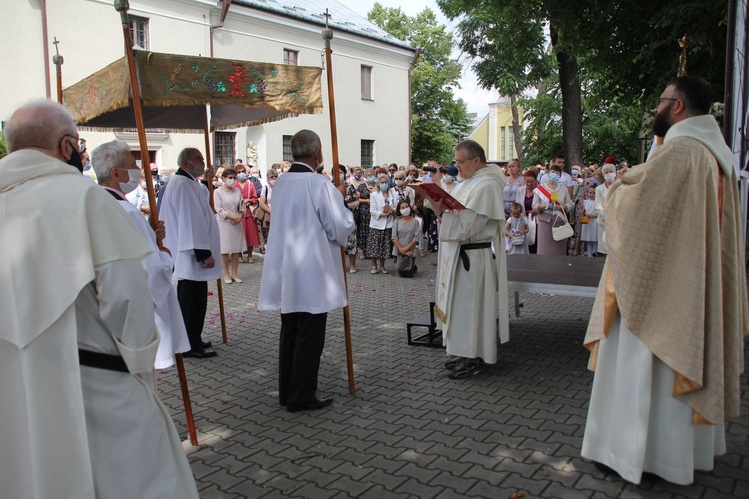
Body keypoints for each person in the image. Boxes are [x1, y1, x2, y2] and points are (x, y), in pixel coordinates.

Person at [0, 101, 198, 498]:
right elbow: (128, 299)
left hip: (15, 385)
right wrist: (142, 364)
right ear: (68, 146)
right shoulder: (88, 199)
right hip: (96, 385)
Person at [582, 76, 749, 485]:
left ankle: (637, 456)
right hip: (688, 282)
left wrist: (618, 189)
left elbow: (638, 210)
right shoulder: (715, 153)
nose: (655, 109)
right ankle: (679, 456)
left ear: (677, 106)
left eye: (661, 101)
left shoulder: (681, 152)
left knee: (643, 366)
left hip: (658, 287)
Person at [257, 129, 355, 412]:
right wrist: (342, 202)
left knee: (290, 331)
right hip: (312, 272)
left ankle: (288, 390)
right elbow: (338, 226)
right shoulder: (319, 184)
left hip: (287, 270)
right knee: (310, 335)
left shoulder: (282, 183)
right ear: (318, 153)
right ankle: (302, 395)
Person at [92, 140, 192, 370]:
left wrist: (149, 230)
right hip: (139, 308)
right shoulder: (127, 212)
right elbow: (152, 269)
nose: (138, 169)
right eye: (132, 164)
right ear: (116, 173)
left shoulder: (98, 204)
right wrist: (165, 254)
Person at [431, 140, 509, 379]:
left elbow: (468, 226)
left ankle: (474, 356)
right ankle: (461, 352)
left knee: (471, 308)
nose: (456, 166)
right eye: (455, 161)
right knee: (459, 306)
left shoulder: (485, 186)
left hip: (473, 256)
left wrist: (441, 211)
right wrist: (437, 200)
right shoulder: (469, 183)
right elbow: (453, 212)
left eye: (460, 161)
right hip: (459, 255)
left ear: (476, 160)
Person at [159, 147, 221, 358]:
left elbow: (202, 198)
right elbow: (191, 221)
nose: (202, 162)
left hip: (191, 254)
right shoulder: (183, 185)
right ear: (186, 163)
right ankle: (189, 343)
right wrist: (204, 254)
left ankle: (194, 337)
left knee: (196, 300)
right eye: (198, 159)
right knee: (191, 302)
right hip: (191, 254)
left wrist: (207, 181)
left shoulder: (187, 182)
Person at [533, 164, 574, 255]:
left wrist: (561, 207)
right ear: (548, 173)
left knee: (558, 249)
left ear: (560, 176)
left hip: (559, 221)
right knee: (544, 249)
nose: (554, 174)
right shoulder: (540, 188)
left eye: (557, 173)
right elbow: (535, 205)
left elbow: (570, 204)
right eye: (552, 172)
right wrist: (545, 206)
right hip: (544, 221)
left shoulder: (563, 189)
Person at [214, 167, 245, 284]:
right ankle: (226, 274)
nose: (232, 180)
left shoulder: (237, 191)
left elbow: (242, 205)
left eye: (234, 178)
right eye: (230, 177)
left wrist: (240, 216)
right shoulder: (217, 192)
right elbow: (219, 209)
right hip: (224, 223)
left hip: (237, 222)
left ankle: (235, 273)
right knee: (225, 249)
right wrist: (232, 217)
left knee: (236, 249)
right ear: (223, 178)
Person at [368, 173, 397, 274]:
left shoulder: (393, 194)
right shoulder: (373, 195)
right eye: (382, 182)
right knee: (375, 245)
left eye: (386, 182)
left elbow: (397, 206)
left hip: (388, 223)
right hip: (376, 224)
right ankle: (373, 265)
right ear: (378, 184)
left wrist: (392, 211)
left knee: (385, 246)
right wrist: (382, 214)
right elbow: (372, 210)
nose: (384, 184)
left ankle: (382, 266)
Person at [235, 163, 263, 262]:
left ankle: (250, 255)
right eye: (239, 172)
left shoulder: (250, 184)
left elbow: (255, 197)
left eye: (243, 171)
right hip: (238, 212)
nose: (241, 173)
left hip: (249, 212)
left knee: (251, 234)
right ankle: (239, 255)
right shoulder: (234, 185)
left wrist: (250, 200)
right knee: (238, 235)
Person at [391, 200, 420, 277]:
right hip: (399, 251)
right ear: (399, 210)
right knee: (402, 273)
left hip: (410, 250)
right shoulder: (396, 221)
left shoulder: (415, 222)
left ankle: (413, 266)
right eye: (402, 207)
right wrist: (401, 249)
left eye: (406, 207)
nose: (405, 209)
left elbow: (416, 237)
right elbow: (394, 237)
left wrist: (406, 249)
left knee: (409, 275)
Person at [594, 162, 617, 255]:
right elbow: (598, 206)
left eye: (611, 171)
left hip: (617, 220)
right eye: (606, 172)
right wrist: (607, 217)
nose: (609, 174)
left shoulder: (619, 186)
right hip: (603, 221)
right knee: (604, 248)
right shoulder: (599, 189)